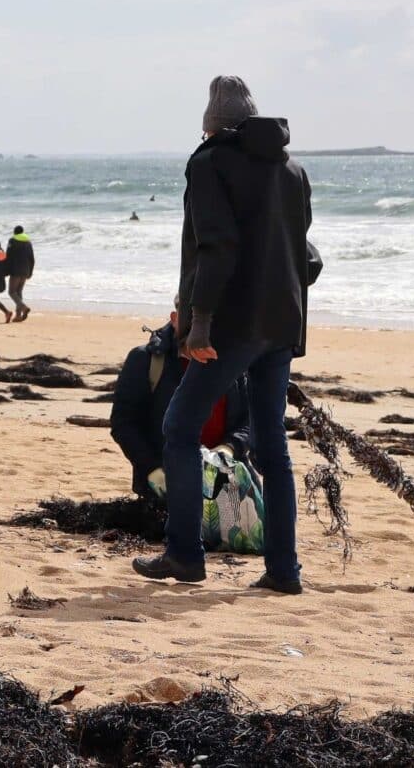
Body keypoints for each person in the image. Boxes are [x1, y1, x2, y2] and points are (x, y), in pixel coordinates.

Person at [132, 75, 315, 593]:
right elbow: (308, 256)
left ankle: (185, 555)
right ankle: (284, 572)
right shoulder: (292, 170)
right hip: (281, 325)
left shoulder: (209, 162)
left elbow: (214, 246)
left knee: (179, 428)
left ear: (211, 127)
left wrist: (201, 321)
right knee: (272, 449)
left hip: (230, 326)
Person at [110, 301, 249, 500]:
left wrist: (229, 448)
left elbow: (249, 422)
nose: (202, 330)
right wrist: (152, 469)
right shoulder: (146, 359)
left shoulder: (234, 363)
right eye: (195, 321)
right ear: (175, 318)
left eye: (211, 322)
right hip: (168, 483)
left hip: (227, 479)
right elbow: (123, 424)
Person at [6, 225, 35, 322]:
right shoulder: (28, 242)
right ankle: (18, 316)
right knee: (19, 292)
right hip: (26, 270)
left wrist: (6, 270)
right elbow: (32, 259)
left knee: (11, 292)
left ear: (15, 232)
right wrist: (30, 271)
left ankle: (23, 307)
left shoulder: (12, 241)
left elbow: (8, 256)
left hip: (15, 270)